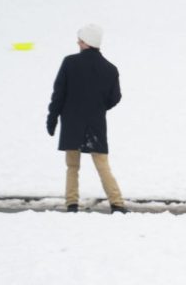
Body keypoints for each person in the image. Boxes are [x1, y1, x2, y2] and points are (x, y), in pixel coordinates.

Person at [46, 24, 126, 214]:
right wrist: (98, 108)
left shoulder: (70, 63)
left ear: (86, 43)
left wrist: (52, 118)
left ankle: (71, 203)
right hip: (95, 123)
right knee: (102, 165)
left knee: (72, 166)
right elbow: (115, 97)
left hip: (72, 122)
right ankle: (117, 203)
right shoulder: (110, 69)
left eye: (80, 40)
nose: (78, 42)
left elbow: (59, 94)